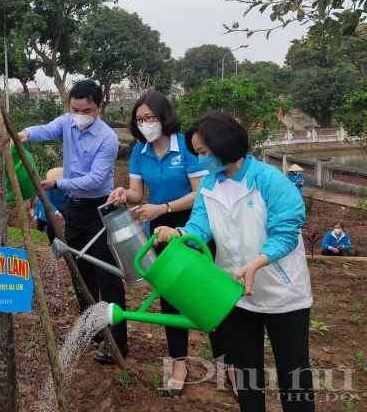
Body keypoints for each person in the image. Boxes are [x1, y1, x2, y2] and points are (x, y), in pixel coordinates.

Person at [154, 112, 314, 412]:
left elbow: (286, 232)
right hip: (235, 293)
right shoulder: (209, 186)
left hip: (284, 294)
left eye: (204, 153)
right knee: (246, 372)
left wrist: (257, 262)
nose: (201, 160)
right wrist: (178, 232)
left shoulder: (269, 180)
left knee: (294, 376)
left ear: (224, 145)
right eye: (198, 154)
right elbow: (199, 226)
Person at [108, 91, 207, 397]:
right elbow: (139, 193)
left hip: (195, 227)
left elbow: (200, 193)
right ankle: (179, 364)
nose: (145, 124)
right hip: (159, 233)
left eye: (150, 117)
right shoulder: (140, 150)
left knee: (205, 295)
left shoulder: (187, 148)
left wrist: (161, 208)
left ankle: (227, 361)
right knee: (170, 299)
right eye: (140, 119)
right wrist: (124, 193)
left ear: (164, 117)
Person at [19, 79, 124, 363]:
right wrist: (25, 134)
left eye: (86, 110)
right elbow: (46, 130)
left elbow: (95, 180)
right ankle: (89, 328)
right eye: (75, 108)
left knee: (107, 272)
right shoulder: (67, 122)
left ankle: (118, 340)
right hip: (75, 208)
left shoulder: (108, 138)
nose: (80, 115)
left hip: (99, 208)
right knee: (80, 269)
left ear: (99, 107)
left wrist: (55, 184)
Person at [31, 167, 67, 243]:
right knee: (51, 229)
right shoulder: (48, 188)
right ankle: (52, 244)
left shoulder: (66, 187)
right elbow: (48, 201)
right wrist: (57, 212)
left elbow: (68, 199)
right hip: (52, 210)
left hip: (65, 210)